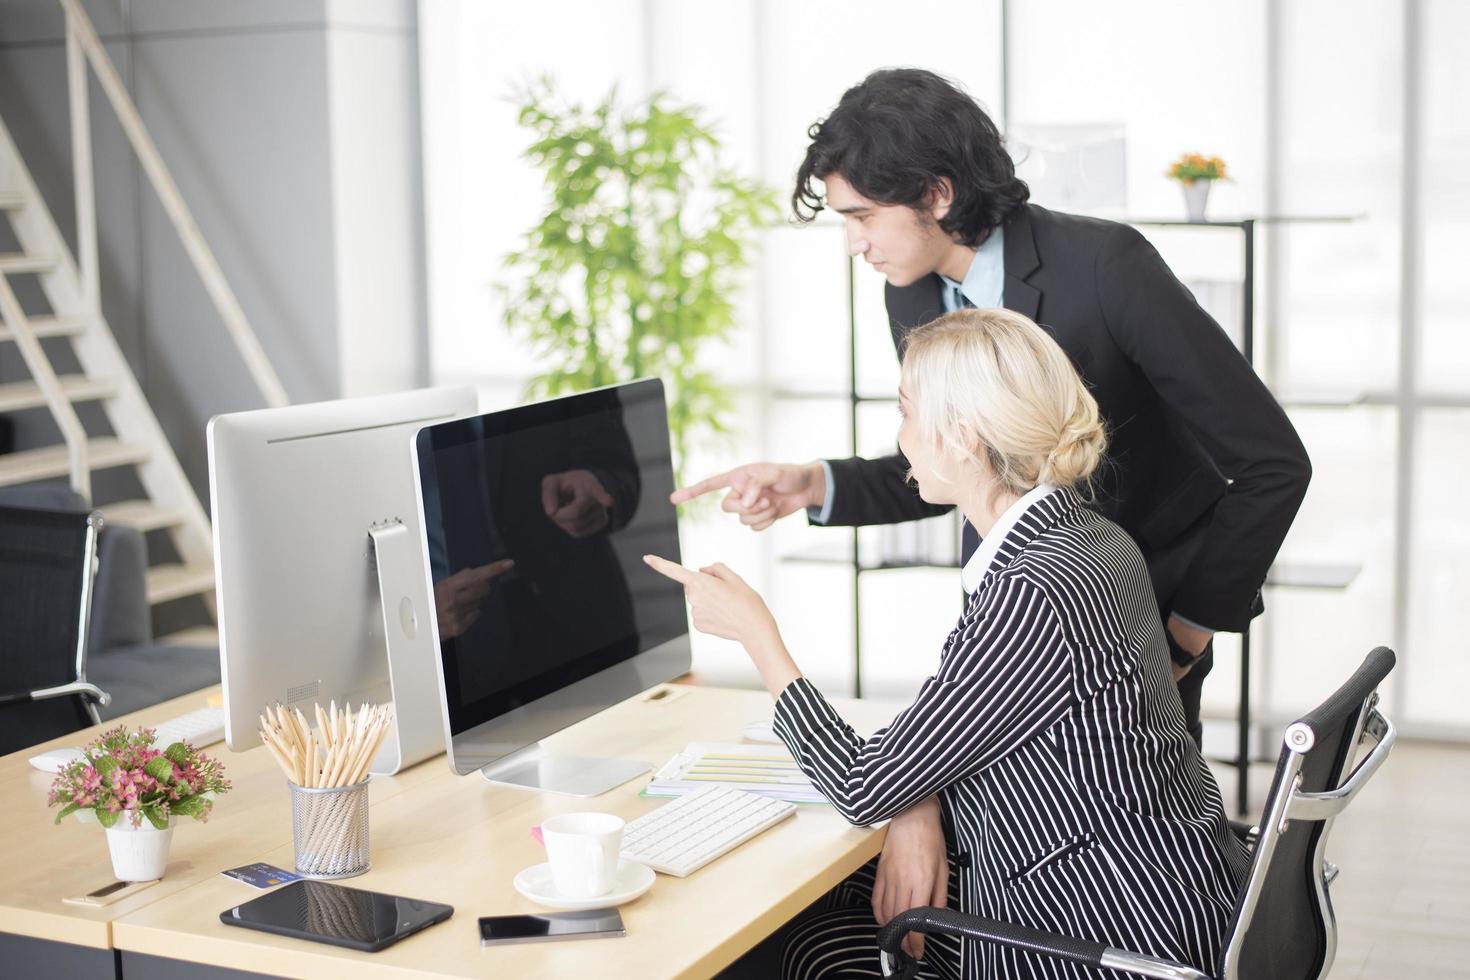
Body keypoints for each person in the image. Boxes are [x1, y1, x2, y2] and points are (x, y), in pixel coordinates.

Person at [673, 67, 1311, 745]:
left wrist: (1185, 636)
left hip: (1142, 617)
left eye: (862, 217)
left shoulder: (1105, 267)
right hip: (1010, 621)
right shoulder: (912, 294)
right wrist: (812, 484)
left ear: (938, 194)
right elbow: (962, 467)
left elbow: (1273, 465)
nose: (854, 244)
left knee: (1121, 827)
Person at [647, 309, 1250, 979]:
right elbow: (963, 720)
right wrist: (921, 798)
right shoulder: (1092, 538)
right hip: (1174, 893)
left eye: (906, 414)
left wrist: (758, 637)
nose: (900, 439)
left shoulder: (1034, 591)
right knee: (839, 897)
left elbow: (863, 784)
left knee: (792, 945)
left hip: (1099, 938)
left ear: (962, 439)